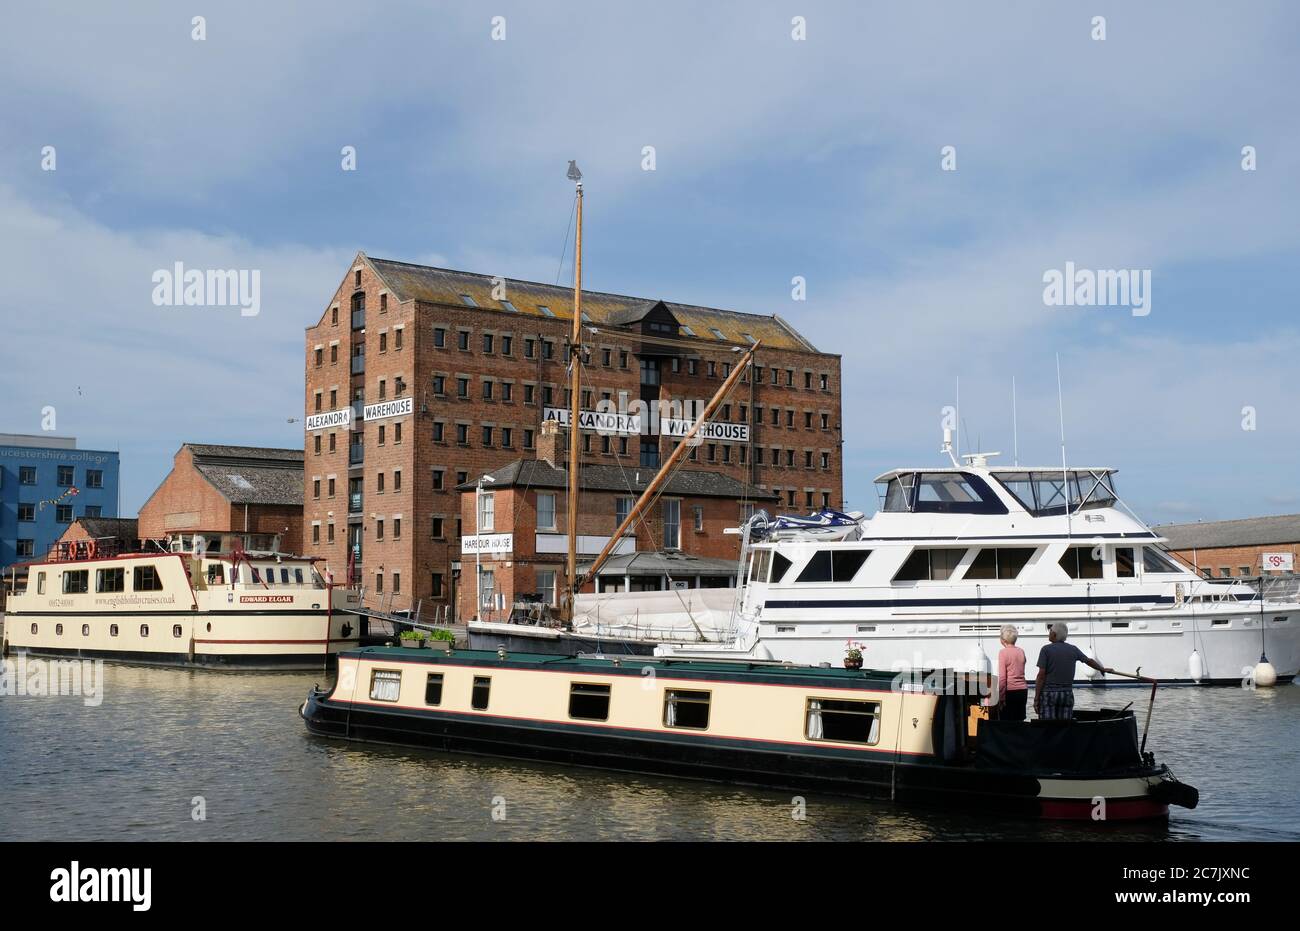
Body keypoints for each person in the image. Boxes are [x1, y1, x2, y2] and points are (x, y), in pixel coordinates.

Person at [1034, 622, 1109, 721]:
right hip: (1067, 694)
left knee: (1047, 727)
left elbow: (1041, 675)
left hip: (1049, 694)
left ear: (1054, 634)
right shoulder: (1073, 649)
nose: (1049, 633)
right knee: (1064, 727)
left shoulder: (1046, 650)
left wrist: (1036, 698)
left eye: (1050, 631)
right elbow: (1088, 661)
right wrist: (1101, 669)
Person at [994, 625, 1028, 722]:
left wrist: (1001, 697)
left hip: (1009, 692)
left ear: (1002, 640)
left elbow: (1002, 678)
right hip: (1022, 691)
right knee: (1019, 721)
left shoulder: (1003, 653)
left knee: (1006, 722)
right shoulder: (1021, 651)